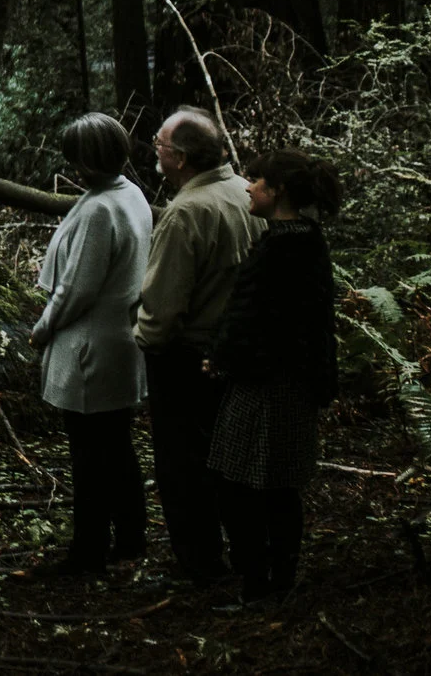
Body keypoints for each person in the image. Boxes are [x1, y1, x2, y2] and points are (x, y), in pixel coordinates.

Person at [205, 149, 342, 606]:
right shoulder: (302, 239)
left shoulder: (284, 246)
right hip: (286, 379)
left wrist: (223, 357)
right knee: (272, 486)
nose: (248, 186)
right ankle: (272, 579)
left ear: (277, 191)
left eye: (257, 180)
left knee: (245, 485)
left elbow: (260, 319)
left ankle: (261, 584)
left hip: (272, 383)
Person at [136, 108, 261, 582]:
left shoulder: (186, 213)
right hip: (238, 353)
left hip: (186, 358)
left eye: (160, 143)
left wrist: (145, 342)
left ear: (182, 158)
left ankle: (198, 563)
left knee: (182, 464)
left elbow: (164, 307)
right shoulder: (247, 191)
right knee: (231, 458)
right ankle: (242, 553)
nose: (154, 148)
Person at [28, 112, 154, 576]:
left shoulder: (102, 208)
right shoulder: (129, 194)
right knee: (115, 448)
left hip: (91, 348)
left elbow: (76, 289)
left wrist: (42, 328)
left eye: (77, 158)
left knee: (91, 457)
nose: (72, 167)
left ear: (89, 159)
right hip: (119, 340)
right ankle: (130, 538)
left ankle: (88, 553)